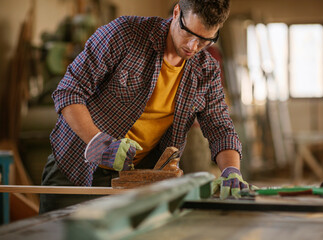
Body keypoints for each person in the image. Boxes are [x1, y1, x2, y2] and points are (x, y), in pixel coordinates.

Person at [40, 0, 250, 213]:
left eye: (205, 40)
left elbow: (220, 128)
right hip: (75, 167)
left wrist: (231, 170)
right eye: (188, 33)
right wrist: (99, 144)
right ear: (177, 12)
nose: (192, 47)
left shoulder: (206, 70)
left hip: (134, 179)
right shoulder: (125, 34)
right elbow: (69, 90)